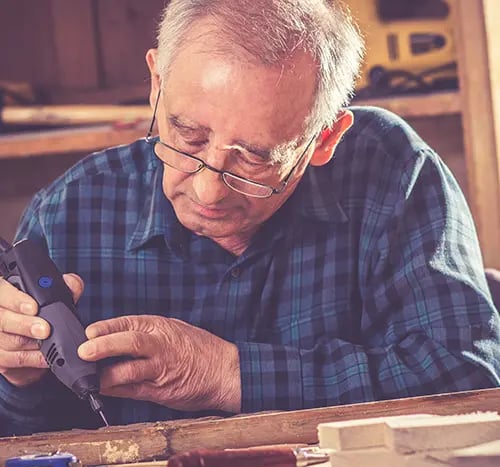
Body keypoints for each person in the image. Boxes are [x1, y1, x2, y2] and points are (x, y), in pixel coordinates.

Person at [0, 0, 499, 437]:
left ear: (323, 139)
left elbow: (470, 380)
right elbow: (30, 446)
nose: (208, 188)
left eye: (255, 157)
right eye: (187, 136)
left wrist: (230, 374)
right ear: (156, 85)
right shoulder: (70, 210)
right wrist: (20, 380)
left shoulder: (389, 169)